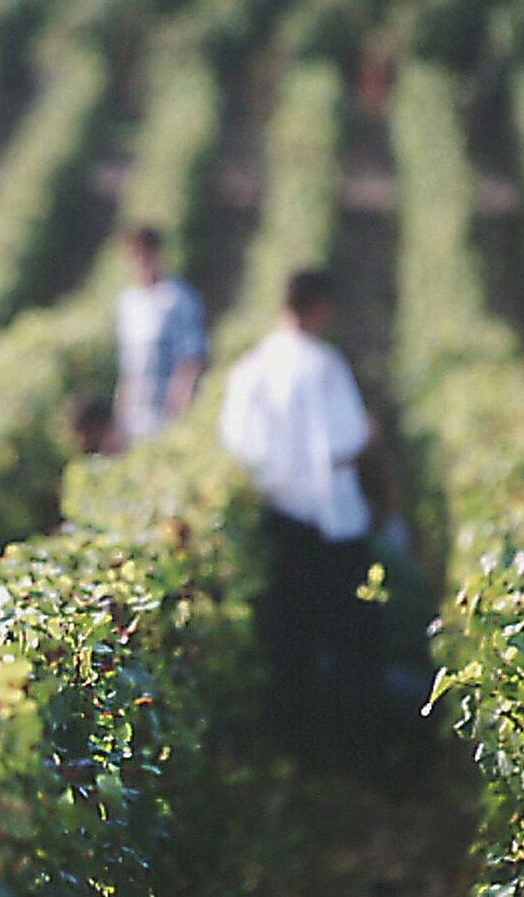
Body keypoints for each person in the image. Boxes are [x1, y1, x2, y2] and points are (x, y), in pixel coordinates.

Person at [218, 267, 381, 752]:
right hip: (329, 521)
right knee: (347, 635)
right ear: (320, 307)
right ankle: (348, 746)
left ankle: (292, 747)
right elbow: (346, 439)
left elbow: (237, 443)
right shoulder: (323, 364)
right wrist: (369, 437)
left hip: (278, 516)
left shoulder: (251, 367)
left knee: (289, 636)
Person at [113, 225, 206, 446]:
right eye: (134, 256)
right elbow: (127, 369)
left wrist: (178, 413)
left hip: (166, 411)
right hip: (135, 414)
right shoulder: (127, 303)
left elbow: (190, 361)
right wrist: (119, 417)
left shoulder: (177, 298)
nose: (140, 262)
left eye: (145, 254)